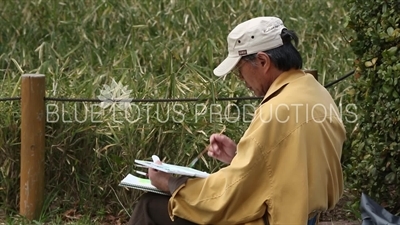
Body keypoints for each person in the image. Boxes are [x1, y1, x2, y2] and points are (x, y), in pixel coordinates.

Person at [127, 16, 346, 225]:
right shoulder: (314, 91)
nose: (242, 81)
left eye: (240, 71)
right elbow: (286, 167)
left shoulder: (277, 110)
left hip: (276, 218)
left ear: (262, 61)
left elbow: (229, 195)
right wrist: (237, 158)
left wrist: (171, 183)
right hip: (306, 215)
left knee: (150, 206)